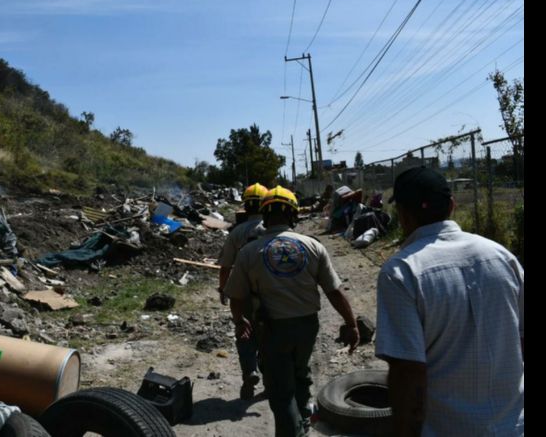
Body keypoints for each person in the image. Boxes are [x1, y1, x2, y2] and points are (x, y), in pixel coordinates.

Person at [376, 166, 524, 436]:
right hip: (512, 426)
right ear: (452, 206)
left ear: (403, 215)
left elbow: (408, 372)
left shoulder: (401, 272)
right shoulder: (503, 257)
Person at [224, 185, 360, 437]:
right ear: (293, 215)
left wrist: (240, 320)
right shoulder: (313, 246)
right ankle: (303, 420)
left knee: (280, 393)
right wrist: (351, 323)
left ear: (264, 216)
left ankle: (293, 428)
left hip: (272, 330)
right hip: (307, 327)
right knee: (300, 371)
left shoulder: (249, 252)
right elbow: (334, 291)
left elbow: (236, 296)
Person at [217, 182, 268, 400]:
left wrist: (223, 289)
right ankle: (271, 375)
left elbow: (226, 265)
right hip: (271, 290)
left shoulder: (237, 232)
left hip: (244, 291)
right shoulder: (272, 228)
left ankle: (249, 370)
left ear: (245, 207)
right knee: (270, 334)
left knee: (245, 331)